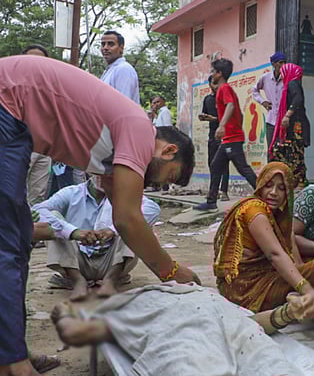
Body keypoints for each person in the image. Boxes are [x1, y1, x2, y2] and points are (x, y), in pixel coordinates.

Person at [0, 55, 199, 376]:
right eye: (170, 176)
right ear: (169, 150)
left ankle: (11, 351)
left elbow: (122, 213)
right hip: (7, 102)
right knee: (5, 244)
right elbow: (127, 219)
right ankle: (13, 365)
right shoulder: (140, 129)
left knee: (18, 236)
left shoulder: (113, 150)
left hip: (13, 113)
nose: (159, 184)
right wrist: (172, 271)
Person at [50, 285, 314, 376]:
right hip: (182, 329)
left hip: (237, 329)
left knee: (272, 364)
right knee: (193, 365)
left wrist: (287, 313)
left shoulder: (209, 294)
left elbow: (251, 322)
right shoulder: (136, 300)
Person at [214, 162, 314, 313]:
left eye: (281, 188)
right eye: (268, 185)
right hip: (245, 289)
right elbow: (275, 255)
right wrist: (307, 289)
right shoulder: (254, 210)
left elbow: (294, 255)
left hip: (263, 277)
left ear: (288, 192)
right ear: (260, 185)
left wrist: (303, 269)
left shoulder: (279, 216)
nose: (273, 193)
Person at [33, 177, 160, 301]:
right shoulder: (71, 193)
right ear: (88, 172)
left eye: (106, 173)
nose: (101, 177)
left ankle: (110, 280)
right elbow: (37, 210)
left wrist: (112, 230)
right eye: (97, 172)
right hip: (77, 262)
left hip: (113, 262)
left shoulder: (124, 194)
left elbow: (153, 209)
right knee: (53, 223)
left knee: (131, 224)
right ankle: (78, 280)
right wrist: (72, 232)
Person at [193, 58, 257, 212]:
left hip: (232, 139)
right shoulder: (224, 90)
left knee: (243, 168)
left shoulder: (224, 89)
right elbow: (237, 113)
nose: (212, 74)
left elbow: (230, 105)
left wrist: (222, 126)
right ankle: (211, 201)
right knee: (216, 166)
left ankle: (265, 193)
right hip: (229, 138)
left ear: (219, 74)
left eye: (213, 71)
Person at [269, 63, 311, 188]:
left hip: (296, 126)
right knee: (292, 154)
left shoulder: (293, 84)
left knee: (294, 154)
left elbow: (298, 99)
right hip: (294, 125)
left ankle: (299, 183)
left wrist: (287, 115)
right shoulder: (291, 84)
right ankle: (295, 182)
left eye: (282, 73)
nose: (281, 76)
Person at [22, 45, 52, 205]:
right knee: (14, 191)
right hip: (20, 146)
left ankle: (30, 220)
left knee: (38, 196)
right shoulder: (13, 84)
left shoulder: (51, 87)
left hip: (44, 149)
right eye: (30, 59)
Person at [198, 74, 230, 202]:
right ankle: (213, 191)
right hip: (212, 134)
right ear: (210, 84)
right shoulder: (207, 99)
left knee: (224, 164)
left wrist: (215, 119)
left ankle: (224, 191)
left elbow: (230, 117)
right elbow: (205, 113)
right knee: (212, 163)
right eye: (214, 83)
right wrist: (204, 117)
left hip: (225, 134)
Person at [251, 52, 286, 145]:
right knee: (271, 148)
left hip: (284, 121)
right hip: (271, 120)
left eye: (284, 62)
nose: (283, 65)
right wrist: (263, 102)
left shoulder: (287, 78)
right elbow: (254, 90)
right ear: (273, 64)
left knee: (283, 148)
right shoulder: (265, 78)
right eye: (280, 62)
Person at [100, 30, 140, 104]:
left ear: (121, 48)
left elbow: (123, 104)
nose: (105, 48)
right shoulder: (109, 70)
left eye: (110, 44)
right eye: (103, 44)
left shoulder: (123, 69)